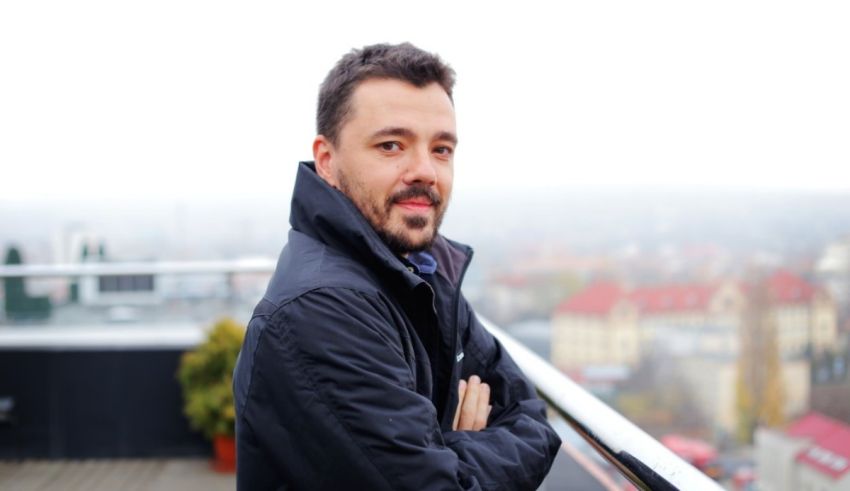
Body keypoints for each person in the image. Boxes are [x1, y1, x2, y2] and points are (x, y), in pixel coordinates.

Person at [233, 42, 561, 490]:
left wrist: (444, 450)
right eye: (391, 145)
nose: (425, 170)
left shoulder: (421, 274)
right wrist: (449, 446)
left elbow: (531, 417)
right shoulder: (321, 310)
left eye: (442, 149)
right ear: (327, 161)